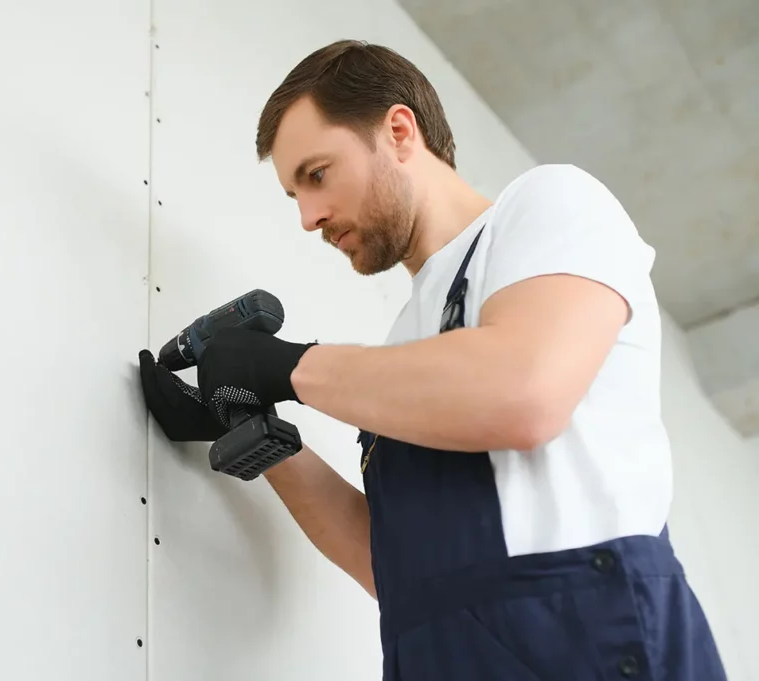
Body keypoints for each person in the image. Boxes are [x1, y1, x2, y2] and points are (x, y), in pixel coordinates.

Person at [138, 39, 726, 680]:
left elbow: (521, 392)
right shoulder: (405, 347)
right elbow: (392, 566)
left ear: (398, 131)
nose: (309, 218)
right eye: (293, 197)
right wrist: (257, 432)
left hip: (586, 638)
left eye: (316, 174)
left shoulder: (550, 206)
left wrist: (287, 366)